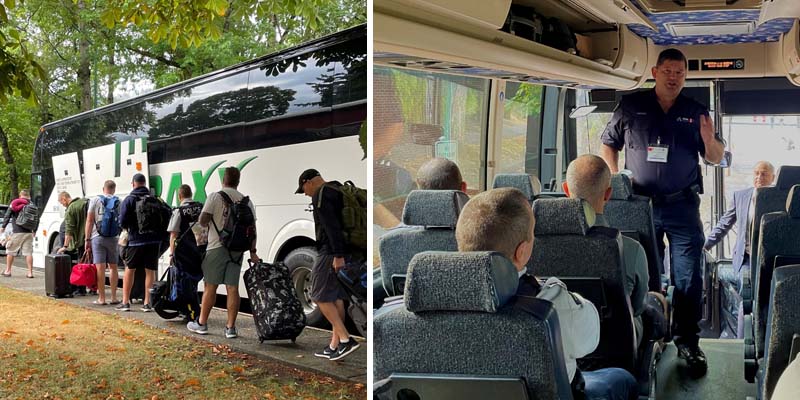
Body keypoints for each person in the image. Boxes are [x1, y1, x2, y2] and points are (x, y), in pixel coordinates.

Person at [600, 48, 725, 378]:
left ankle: (688, 342)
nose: (674, 77)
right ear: (655, 72)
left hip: (682, 205)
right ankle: (649, 336)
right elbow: (608, 143)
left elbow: (714, 157)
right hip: (639, 205)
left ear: (685, 76)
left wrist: (709, 140)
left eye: (680, 73)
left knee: (689, 275)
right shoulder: (632, 106)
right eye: (668, 71)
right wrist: (615, 182)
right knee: (645, 274)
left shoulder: (696, 111)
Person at [456, 188, 638, 400]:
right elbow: (589, 340)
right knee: (622, 379)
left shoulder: (419, 305)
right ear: (521, 252)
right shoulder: (549, 303)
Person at [562, 154, 651, 345]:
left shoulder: (534, 249)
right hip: (616, 346)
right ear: (608, 194)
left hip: (561, 345)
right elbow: (636, 308)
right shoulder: (631, 249)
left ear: (566, 190)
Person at [296, 168, 363, 361]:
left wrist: (337, 255)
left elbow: (331, 227)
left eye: (303, 189)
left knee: (318, 294)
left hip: (330, 252)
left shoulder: (321, 195)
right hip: (348, 248)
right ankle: (335, 345)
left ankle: (345, 339)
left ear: (308, 182)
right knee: (335, 297)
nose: (305, 193)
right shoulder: (338, 189)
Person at [704, 160, 776, 338]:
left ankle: (764, 338)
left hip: (771, 260)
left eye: (764, 173)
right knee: (747, 298)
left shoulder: (779, 198)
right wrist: (703, 246)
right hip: (746, 259)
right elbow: (724, 225)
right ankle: (742, 341)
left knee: (767, 300)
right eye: (756, 173)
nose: (759, 177)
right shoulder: (741, 196)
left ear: (773, 177)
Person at [187, 167, 257, 338]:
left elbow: (203, 222)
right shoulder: (246, 201)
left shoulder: (215, 196)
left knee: (210, 286)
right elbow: (252, 229)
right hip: (237, 250)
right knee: (232, 288)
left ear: (223, 180)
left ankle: (202, 323)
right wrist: (253, 251)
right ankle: (230, 328)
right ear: (238, 181)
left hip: (216, 247)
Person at [117, 173, 165, 312]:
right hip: (153, 241)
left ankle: (126, 302)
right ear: (145, 183)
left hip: (135, 241)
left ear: (133, 183)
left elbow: (122, 221)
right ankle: (147, 303)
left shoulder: (130, 199)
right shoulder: (155, 199)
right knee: (150, 271)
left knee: (129, 270)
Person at [167, 184, 205, 322]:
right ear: (191, 194)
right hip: (200, 252)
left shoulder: (179, 211)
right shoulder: (201, 207)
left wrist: (171, 254)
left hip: (184, 254)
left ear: (179, 196)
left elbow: (173, 235)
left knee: (185, 285)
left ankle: (192, 313)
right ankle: (194, 310)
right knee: (194, 282)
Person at [84, 180, 121, 305]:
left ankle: (102, 298)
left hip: (97, 237)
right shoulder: (118, 201)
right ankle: (114, 297)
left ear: (103, 188)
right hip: (113, 238)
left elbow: (89, 220)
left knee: (100, 268)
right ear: (114, 189)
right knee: (113, 267)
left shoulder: (95, 200)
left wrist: (87, 239)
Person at [56, 191, 91, 295]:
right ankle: (93, 288)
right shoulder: (84, 202)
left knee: (81, 264)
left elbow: (69, 230)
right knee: (90, 264)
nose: (62, 205)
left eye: (61, 202)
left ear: (64, 199)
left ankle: (81, 289)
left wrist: (65, 246)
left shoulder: (71, 209)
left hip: (81, 241)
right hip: (91, 238)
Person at [1, 190, 36, 278]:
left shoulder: (15, 203)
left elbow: (8, 215)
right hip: (29, 232)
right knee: (28, 253)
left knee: (10, 251)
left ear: (21, 195)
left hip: (17, 231)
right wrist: (34, 230)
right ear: (28, 196)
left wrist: (3, 226)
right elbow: (36, 218)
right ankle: (30, 273)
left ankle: (8, 271)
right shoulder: (32, 205)